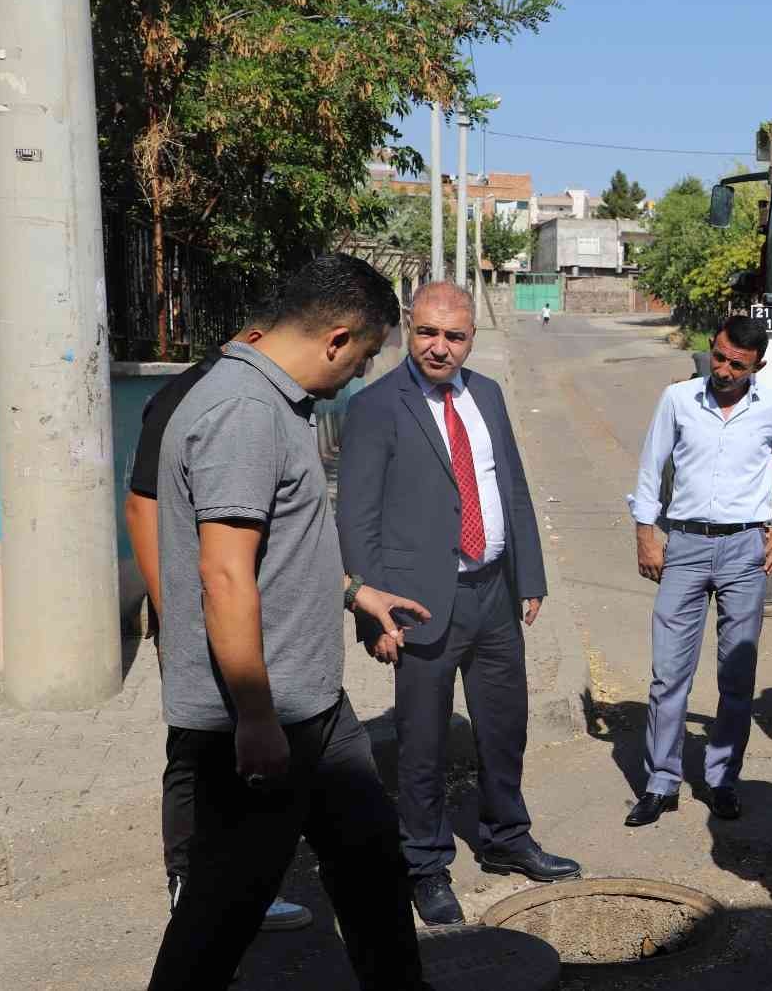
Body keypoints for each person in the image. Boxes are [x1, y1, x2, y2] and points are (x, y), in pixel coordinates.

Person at [146, 254, 433, 991]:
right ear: (336, 339)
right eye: (364, 357)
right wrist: (255, 717)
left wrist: (351, 592)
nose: (361, 375)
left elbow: (274, 549)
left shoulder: (269, 401)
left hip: (314, 707)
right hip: (265, 714)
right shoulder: (242, 412)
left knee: (371, 866)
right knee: (219, 913)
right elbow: (224, 573)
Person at [337, 281, 577, 927]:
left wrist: (530, 574)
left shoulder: (489, 396)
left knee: (505, 726)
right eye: (427, 333)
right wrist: (371, 611)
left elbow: (514, 489)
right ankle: (424, 863)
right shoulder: (376, 407)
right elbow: (356, 519)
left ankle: (506, 837)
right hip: (418, 603)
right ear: (407, 331)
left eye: (454, 336)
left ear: (472, 337)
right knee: (422, 744)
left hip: (495, 592)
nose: (440, 347)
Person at [125, 294, 316, 932]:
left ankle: (239, 886)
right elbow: (142, 508)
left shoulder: (253, 399)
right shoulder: (199, 399)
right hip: (199, 608)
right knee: (196, 750)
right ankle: (192, 885)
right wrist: (175, 614)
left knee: (241, 754)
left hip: (235, 609)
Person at [625, 314, 772, 827]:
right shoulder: (678, 400)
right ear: (712, 348)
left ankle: (722, 779)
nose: (724, 369)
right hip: (685, 544)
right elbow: (651, 467)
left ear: (755, 367)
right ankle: (660, 782)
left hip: (744, 550)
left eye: (738, 364)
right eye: (719, 356)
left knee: (736, 676)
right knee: (668, 674)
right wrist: (646, 533)